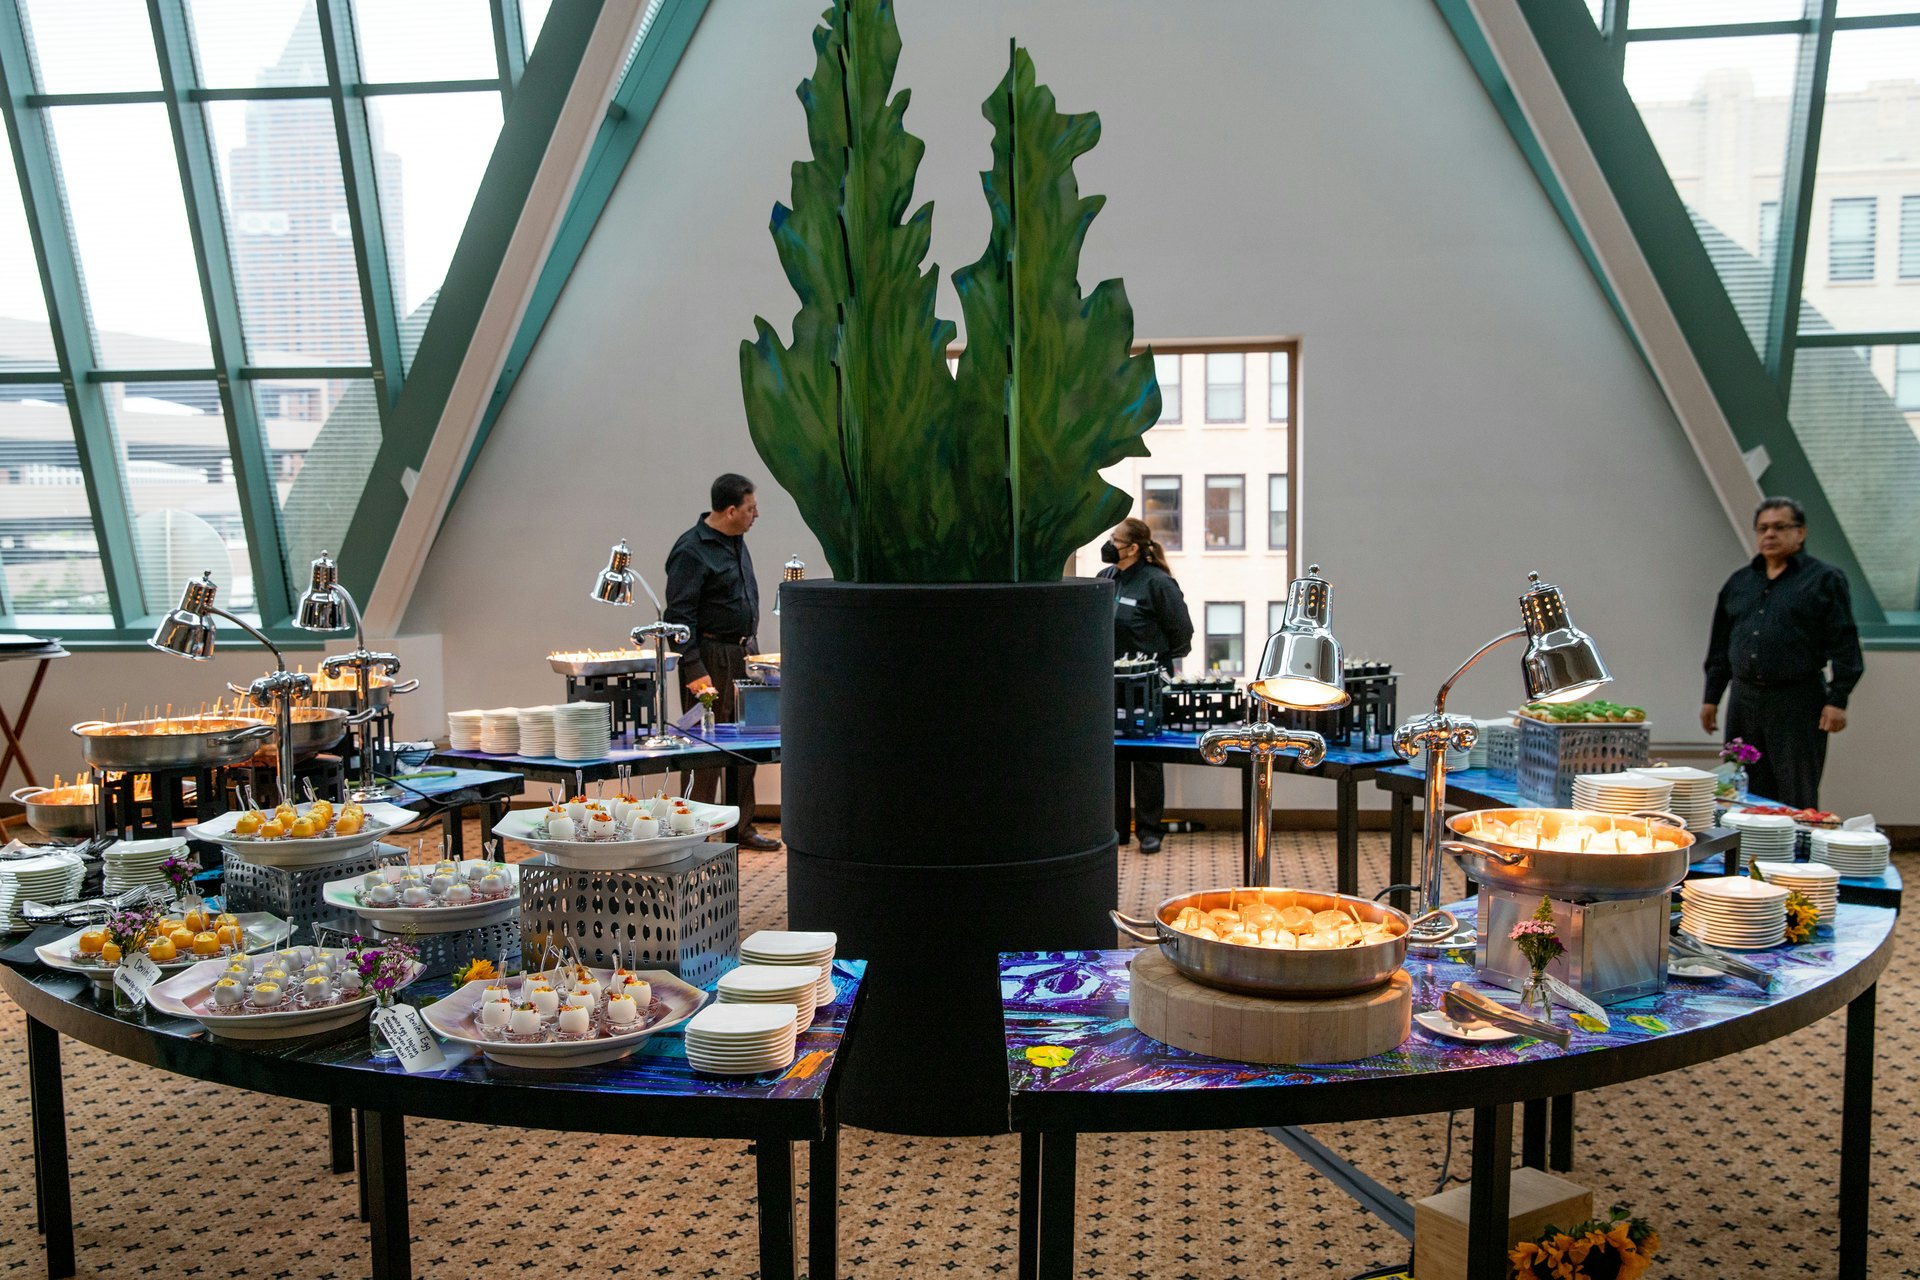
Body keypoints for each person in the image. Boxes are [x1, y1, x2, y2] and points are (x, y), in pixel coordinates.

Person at [1701, 496, 1864, 810]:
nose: (1769, 534)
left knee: (1796, 791)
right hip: (1744, 700)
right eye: (1762, 528)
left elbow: (1845, 643)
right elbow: (1720, 646)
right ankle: (1745, 843)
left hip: (1797, 701)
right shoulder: (1739, 582)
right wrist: (1711, 698)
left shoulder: (1823, 579)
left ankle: (1797, 843)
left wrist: (1838, 699)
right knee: (1740, 789)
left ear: (1800, 532)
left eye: (1779, 527)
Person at [665, 473, 780, 851]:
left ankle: (740, 826)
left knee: (746, 746)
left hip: (743, 655)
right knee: (706, 749)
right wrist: (693, 669)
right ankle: (691, 832)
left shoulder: (735, 540)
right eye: (751, 508)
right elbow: (679, 618)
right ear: (731, 511)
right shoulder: (691, 550)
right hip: (710, 657)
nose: (756, 515)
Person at [1099, 516, 1192, 854]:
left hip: (1148, 683)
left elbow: (1182, 634)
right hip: (1110, 682)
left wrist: (1155, 662)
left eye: (1116, 540)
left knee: (1147, 757)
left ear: (1134, 548)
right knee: (1114, 754)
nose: (1110, 544)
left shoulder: (1157, 583)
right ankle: (1116, 829)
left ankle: (1150, 831)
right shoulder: (1106, 579)